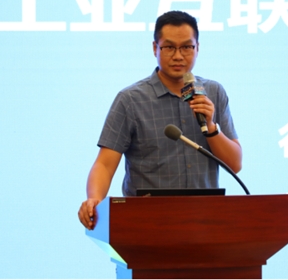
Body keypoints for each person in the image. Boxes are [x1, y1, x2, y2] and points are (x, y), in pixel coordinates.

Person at [78, 11, 242, 230]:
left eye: (187, 47)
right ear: (155, 48)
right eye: (169, 47)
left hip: (205, 222)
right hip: (147, 224)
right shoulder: (131, 100)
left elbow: (235, 164)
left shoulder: (213, 93)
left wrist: (211, 127)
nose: (178, 56)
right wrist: (94, 198)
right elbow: (105, 164)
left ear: (197, 48)